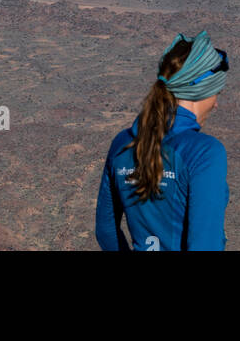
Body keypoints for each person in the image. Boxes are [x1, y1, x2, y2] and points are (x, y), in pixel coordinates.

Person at [95, 30, 230, 251]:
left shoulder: (122, 143)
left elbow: (106, 230)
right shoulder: (205, 152)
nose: (216, 104)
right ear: (201, 91)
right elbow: (205, 244)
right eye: (216, 92)